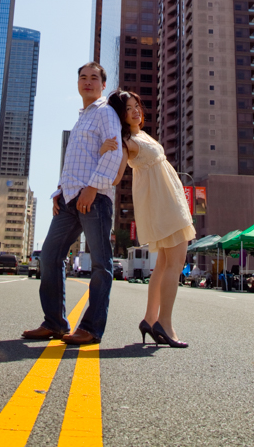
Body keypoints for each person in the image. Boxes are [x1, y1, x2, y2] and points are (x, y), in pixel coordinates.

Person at [22, 62, 123, 345]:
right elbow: (78, 161)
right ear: (77, 83)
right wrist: (59, 190)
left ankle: (91, 328)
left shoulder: (105, 113)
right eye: (83, 78)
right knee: (50, 256)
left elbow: (112, 154)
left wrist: (92, 187)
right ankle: (54, 323)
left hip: (94, 198)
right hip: (69, 200)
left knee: (101, 264)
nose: (87, 82)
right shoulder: (82, 118)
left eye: (94, 78)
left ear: (103, 85)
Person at [103, 89, 195, 348]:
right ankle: (164, 323)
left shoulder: (141, 135)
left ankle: (150, 318)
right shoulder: (127, 141)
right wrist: (104, 150)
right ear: (120, 115)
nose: (135, 111)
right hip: (163, 205)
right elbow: (116, 176)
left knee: (166, 264)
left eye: (137, 106)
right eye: (129, 108)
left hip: (170, 200)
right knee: (175, 264)